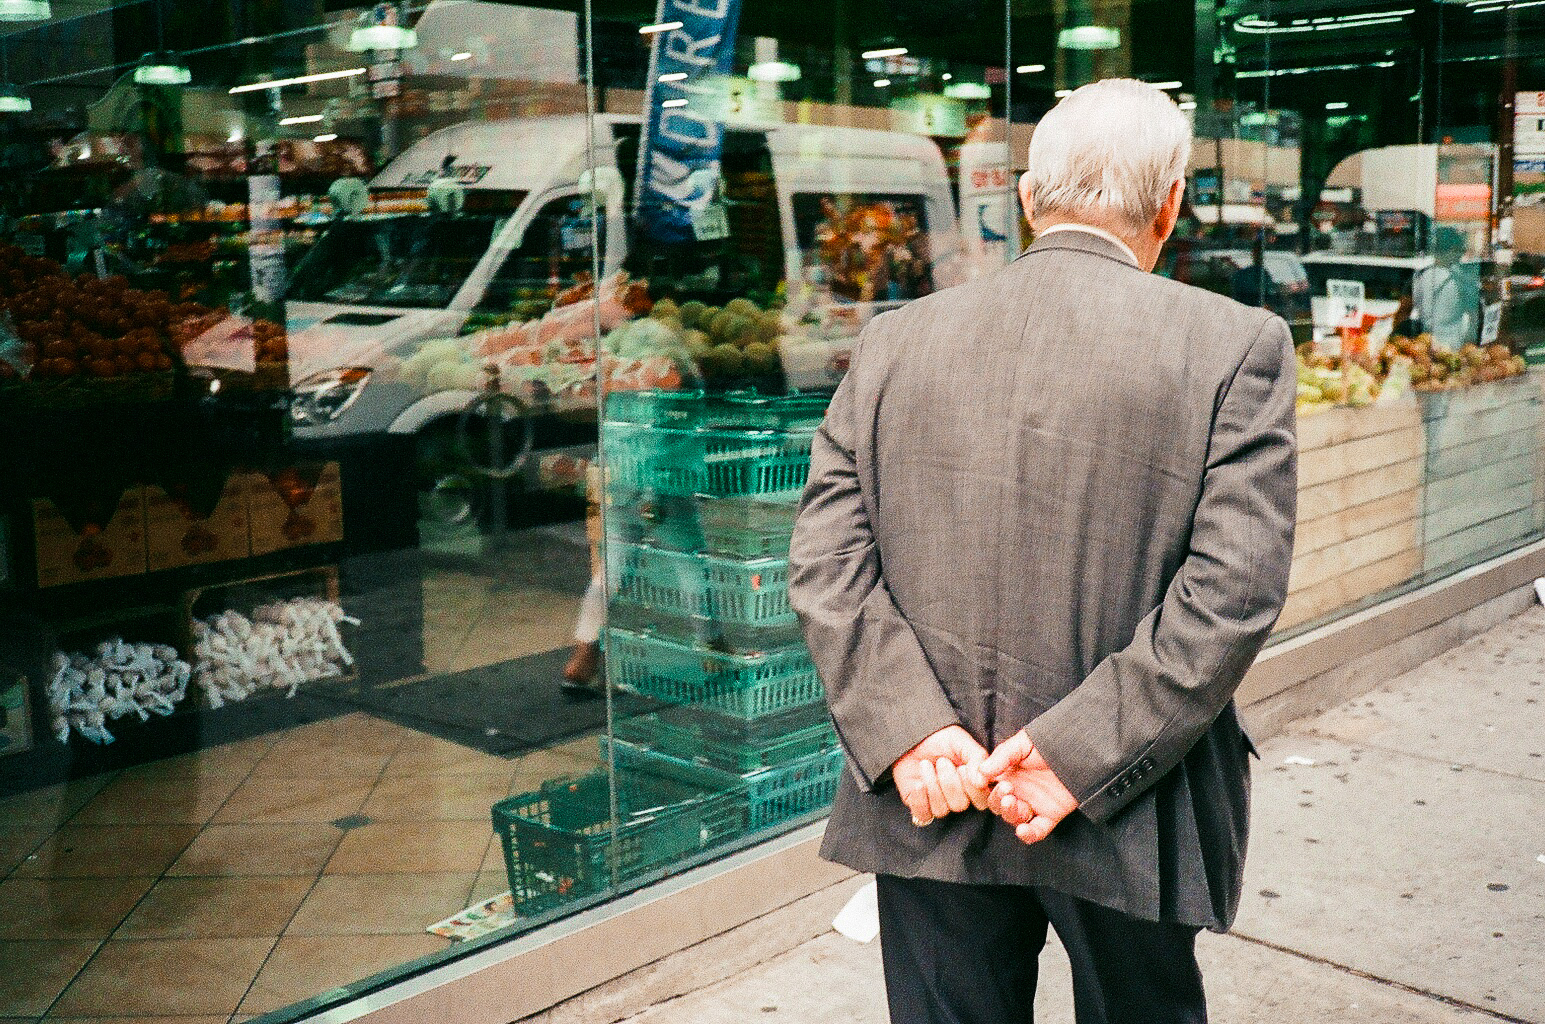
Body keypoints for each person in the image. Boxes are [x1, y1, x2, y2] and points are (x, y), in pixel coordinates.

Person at [787, 79, 1297, 1024]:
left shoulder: (897, 339)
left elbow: (825, 559)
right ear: (1170, 202)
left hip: (931, 793)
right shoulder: (1235, 345)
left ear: (1027, 196)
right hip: (1129, 798)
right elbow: (1232, 592)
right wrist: (1071, 754)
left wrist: (910, 730)